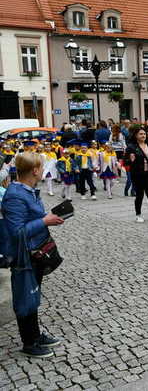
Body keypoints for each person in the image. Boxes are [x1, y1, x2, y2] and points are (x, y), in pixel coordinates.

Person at [2, 152, 64, 358]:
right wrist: (45, 221)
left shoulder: (28, 190)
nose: (44, 169)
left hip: (35, 251)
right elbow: (17, 232)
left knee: (33, 294)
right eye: (42, 166)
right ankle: (29, 343)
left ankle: (36, 335)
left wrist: (47, 218)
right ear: (35, 171)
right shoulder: (15, 196)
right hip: (24, 255)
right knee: (25, 297)